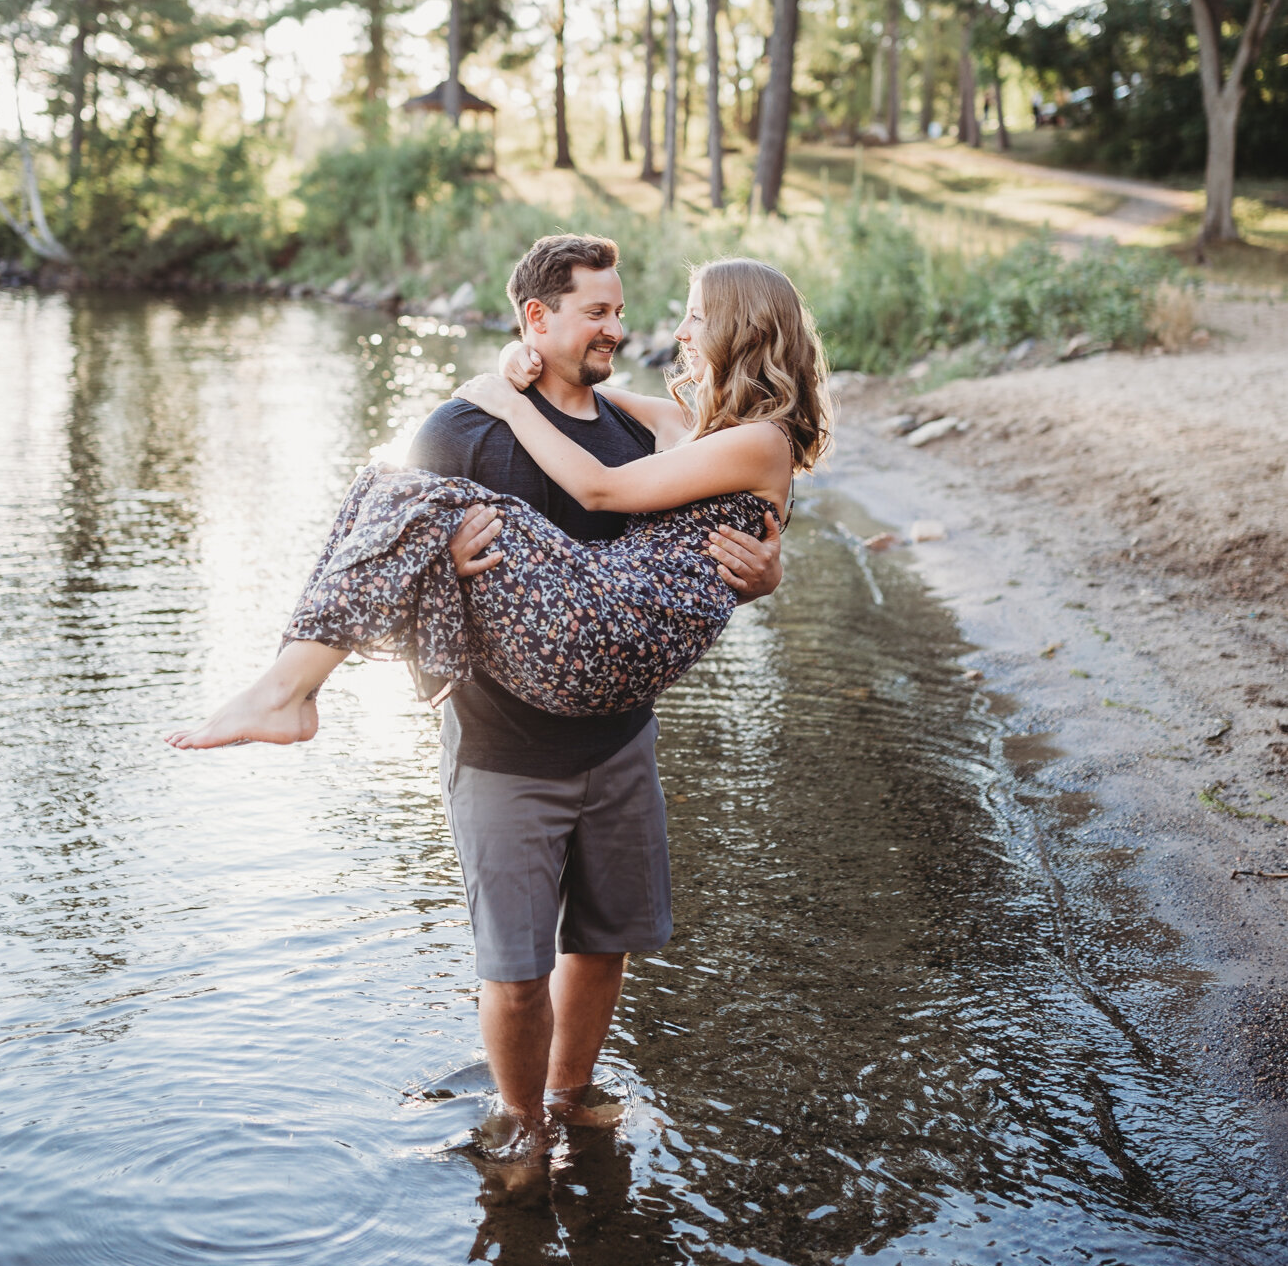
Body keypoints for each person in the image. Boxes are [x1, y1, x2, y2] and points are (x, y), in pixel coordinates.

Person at [166, 237, 831, 1143]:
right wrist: (502, 388)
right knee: (412, 503)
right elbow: (653, 441)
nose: (645, 330)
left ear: (740, 333)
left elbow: (600, 487)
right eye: (600, 312)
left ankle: (289, 689)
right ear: (537, 319)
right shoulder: (686, 429)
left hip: (604, 656)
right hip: (524, 718)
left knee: (396, 499)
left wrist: (498, 398)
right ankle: (532, 1122)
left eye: (686, 317)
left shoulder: (721, 440)